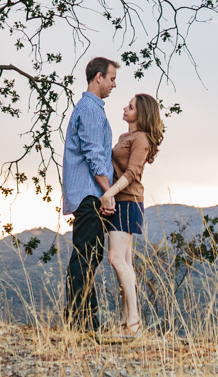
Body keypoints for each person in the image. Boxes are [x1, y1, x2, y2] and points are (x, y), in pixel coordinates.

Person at [60, 56, 118, 331]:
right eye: (111, 78)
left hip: (88, 195)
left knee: (88, 257)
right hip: (90, 196)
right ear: (98, 77)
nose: (113, 85)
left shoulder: (89, 108)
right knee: (85, 257)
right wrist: (108, 192)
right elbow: (94, 155)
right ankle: (80, 323)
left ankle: (86, 321)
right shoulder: (91, 110)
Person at [103, 93, 164, 337]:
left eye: (131, 107)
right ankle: (126, 323)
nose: (125, 109)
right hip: (119, 201)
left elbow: (132, 173)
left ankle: (134, 323)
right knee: (124, 263)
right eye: (127, 105)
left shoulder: (141, 139)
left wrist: (109, 193)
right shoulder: (124, 137)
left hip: (128, 202)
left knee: (117, 260)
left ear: (142, 113)